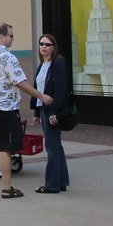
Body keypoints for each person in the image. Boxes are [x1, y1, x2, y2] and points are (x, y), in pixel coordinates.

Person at [0, 23, 52, 199]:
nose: (12, 38)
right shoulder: (7, 57)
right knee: (5, 148)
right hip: (6, 108)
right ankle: (6, 187)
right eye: (10, 35)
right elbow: (19, 82)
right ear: (2, 37)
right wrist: (41, 96)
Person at [33, 32, 70, 194]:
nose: (43, 47)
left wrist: (56, 112)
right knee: (56, 146)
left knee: (52, 147)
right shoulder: (42, 65)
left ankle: (52, 184)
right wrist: (36, 111)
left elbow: (61, 90)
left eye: (47, 44)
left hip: (52, 111)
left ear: (53, 47)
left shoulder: (58, 64)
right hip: (43, 109)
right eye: (41, 44)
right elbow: (38, 89)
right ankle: (61, 181)